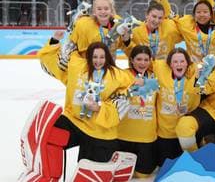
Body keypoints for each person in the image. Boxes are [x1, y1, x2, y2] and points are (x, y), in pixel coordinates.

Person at [38, 33, 141, 162]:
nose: (98, 61)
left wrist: (100, 108)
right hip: (73, 121)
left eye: (102, 57)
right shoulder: (77, 66)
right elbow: (54, 64)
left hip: (99, 131)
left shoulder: (117, 75)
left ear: (107, 57)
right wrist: (55, 40)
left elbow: (131, 88)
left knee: (93, 166)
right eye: (95, 57)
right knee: (49, 139)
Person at [153, 48, 200, 166]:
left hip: (186, 133)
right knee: (165, 167)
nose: (179, 64)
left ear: (187, 63)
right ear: (169, 64)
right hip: (165, 134)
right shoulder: (160, 70)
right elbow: (142, 61)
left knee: (187, 166)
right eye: (175, 62)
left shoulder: (195, 74)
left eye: (182, 61)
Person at [118, 45, 158, 178]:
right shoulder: (123, 75)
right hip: (123, 136)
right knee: (122, 176)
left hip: (146, 137)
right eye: (139, 59)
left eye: (146, 60)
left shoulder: (154, 78)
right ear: (132, 60)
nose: (142, 63)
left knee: (143, 176)